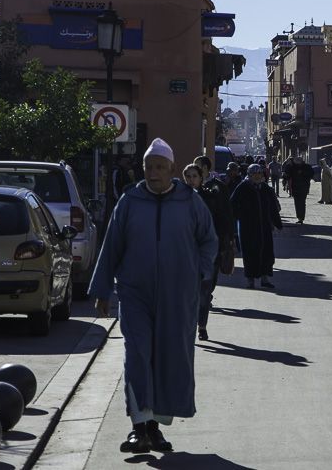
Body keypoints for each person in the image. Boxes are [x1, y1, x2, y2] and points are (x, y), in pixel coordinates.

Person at [89, 138, 218, 454]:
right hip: (135, 293)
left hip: (177, 295)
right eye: (148, 167)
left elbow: (208, 240)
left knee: (169, 358)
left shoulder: (190, 201)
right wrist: (102, 289)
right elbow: (112, 246)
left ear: (171, 169)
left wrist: (198, 272)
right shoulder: (130, 201)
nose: (153, 173)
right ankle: (138, 426)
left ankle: (155, 429)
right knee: (137, 355)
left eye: (159, 167)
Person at [183, 163, 233, 342]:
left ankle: (201, 326)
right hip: (185, 255)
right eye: (187, 177)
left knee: (205, 293)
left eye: (194, 176)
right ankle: (188, 325)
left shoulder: (210, 198)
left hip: (207, 255)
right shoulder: (178, 200)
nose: (191, 180)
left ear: (201, 178)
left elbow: (222, 222)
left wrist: (224, 245)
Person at [231, 164, 283, 288]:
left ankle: (265, 279)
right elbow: (232, 205)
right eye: (254, 174)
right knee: (250, 253)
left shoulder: (266, 189)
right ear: (249, 175)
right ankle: (250, 280)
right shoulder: (242, 188)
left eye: (259, 173)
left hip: (264, 227)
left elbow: (273, 208)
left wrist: (277, 223)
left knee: (266, 253)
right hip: (248, 228)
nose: (257, 176)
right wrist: (240, 216)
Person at [285, 156, 314, 224]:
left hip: (304, 187)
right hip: (295, 188)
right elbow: (288, 175)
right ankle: (299, 217)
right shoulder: (293, 167)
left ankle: (301, 218)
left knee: (302, 202)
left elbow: (311, 174)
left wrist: (303, 173)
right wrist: (288, 165)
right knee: (297, 203)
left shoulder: (307, 167)